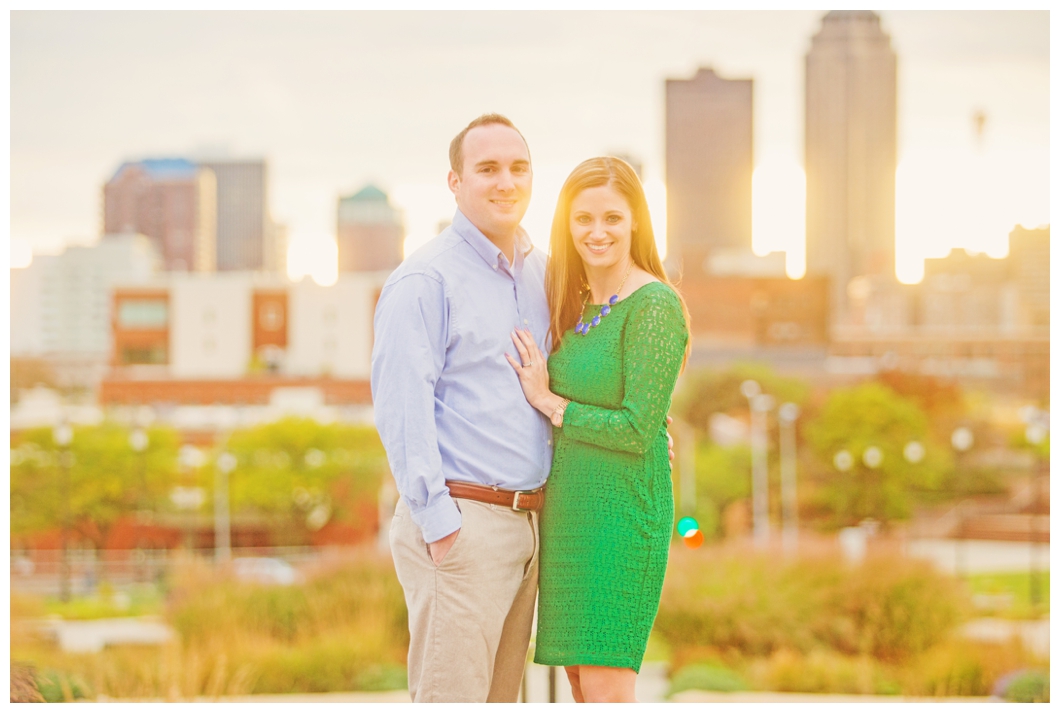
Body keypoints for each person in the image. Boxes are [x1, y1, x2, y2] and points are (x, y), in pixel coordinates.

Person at [371, 113, 550, 703]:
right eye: (487, 169)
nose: (506, 181)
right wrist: (440, 523)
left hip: (527, 526)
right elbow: (402, 406)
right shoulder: (426, 279)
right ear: (455, 182)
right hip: (462, 522)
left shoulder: (539, 274)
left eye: (518, 167)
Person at [505, 156, 690, 703]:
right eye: (583, 219)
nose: (597, 232)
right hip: (568, 517)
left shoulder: (654, 304)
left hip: (622, 516)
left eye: (612, 217)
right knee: (583, 686)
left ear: (636, 222)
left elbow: (636, 430)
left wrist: (549, 402)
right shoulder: (573, 303)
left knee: (608, 686)